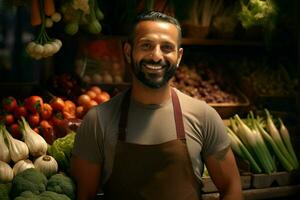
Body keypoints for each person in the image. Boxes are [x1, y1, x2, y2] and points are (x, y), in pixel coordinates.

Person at [71, 11, 243, 200]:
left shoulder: (204, 116)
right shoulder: (97, 120)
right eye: (146, 45)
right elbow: (84, 196)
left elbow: (231, 188)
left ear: (178, 57)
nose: (156, 56)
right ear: (128, 52)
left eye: (167, 48)